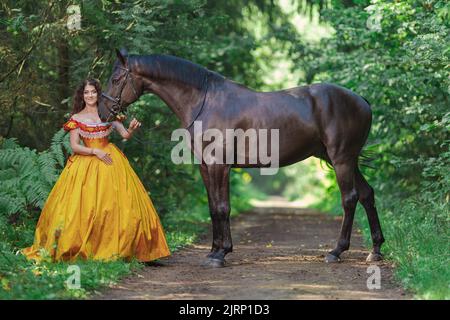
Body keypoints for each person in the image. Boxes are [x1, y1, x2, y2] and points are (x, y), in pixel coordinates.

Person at [22, 78, 170, 262]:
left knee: (118, 205)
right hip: (86, 162)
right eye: (86, 92)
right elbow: (75, 146)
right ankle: (86, 248)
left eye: (93, 92)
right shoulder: (76, 118)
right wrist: (94, 151)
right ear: (82, 96)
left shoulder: (108, 114)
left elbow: (124, 135)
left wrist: (131, 128)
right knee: (83, 208)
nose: (90, 95)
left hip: (110, 161)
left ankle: (126, 249)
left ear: (98, 94)